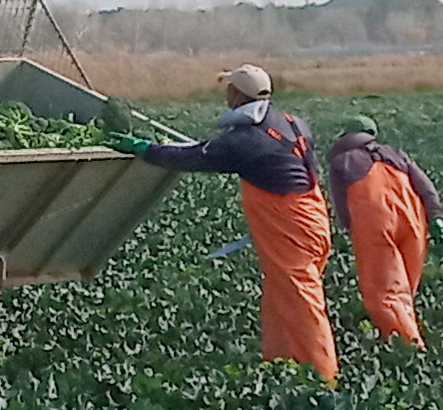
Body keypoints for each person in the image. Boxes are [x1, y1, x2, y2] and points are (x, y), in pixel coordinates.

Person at [107, 65, 338, 386]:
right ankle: (282, 366)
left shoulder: (246, 140)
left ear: (239, 95)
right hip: (313, 216)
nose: (226, 94)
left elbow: (195, 156)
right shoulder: (292, 123)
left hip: (291, 227)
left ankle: (322, 378)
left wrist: (145, 149)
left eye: (230, 89)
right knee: (280, 294)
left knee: (301, 299)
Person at [326, 112, 443, 349]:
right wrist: (437, 220)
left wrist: (352, 229)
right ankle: (395, 336)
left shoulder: (342, 162)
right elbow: (426, 188)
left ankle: (407, 347)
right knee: (406, 288)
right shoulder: (396, 154)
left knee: (385, 292)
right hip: (413, 222)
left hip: (375, 226)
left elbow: (341, 205)